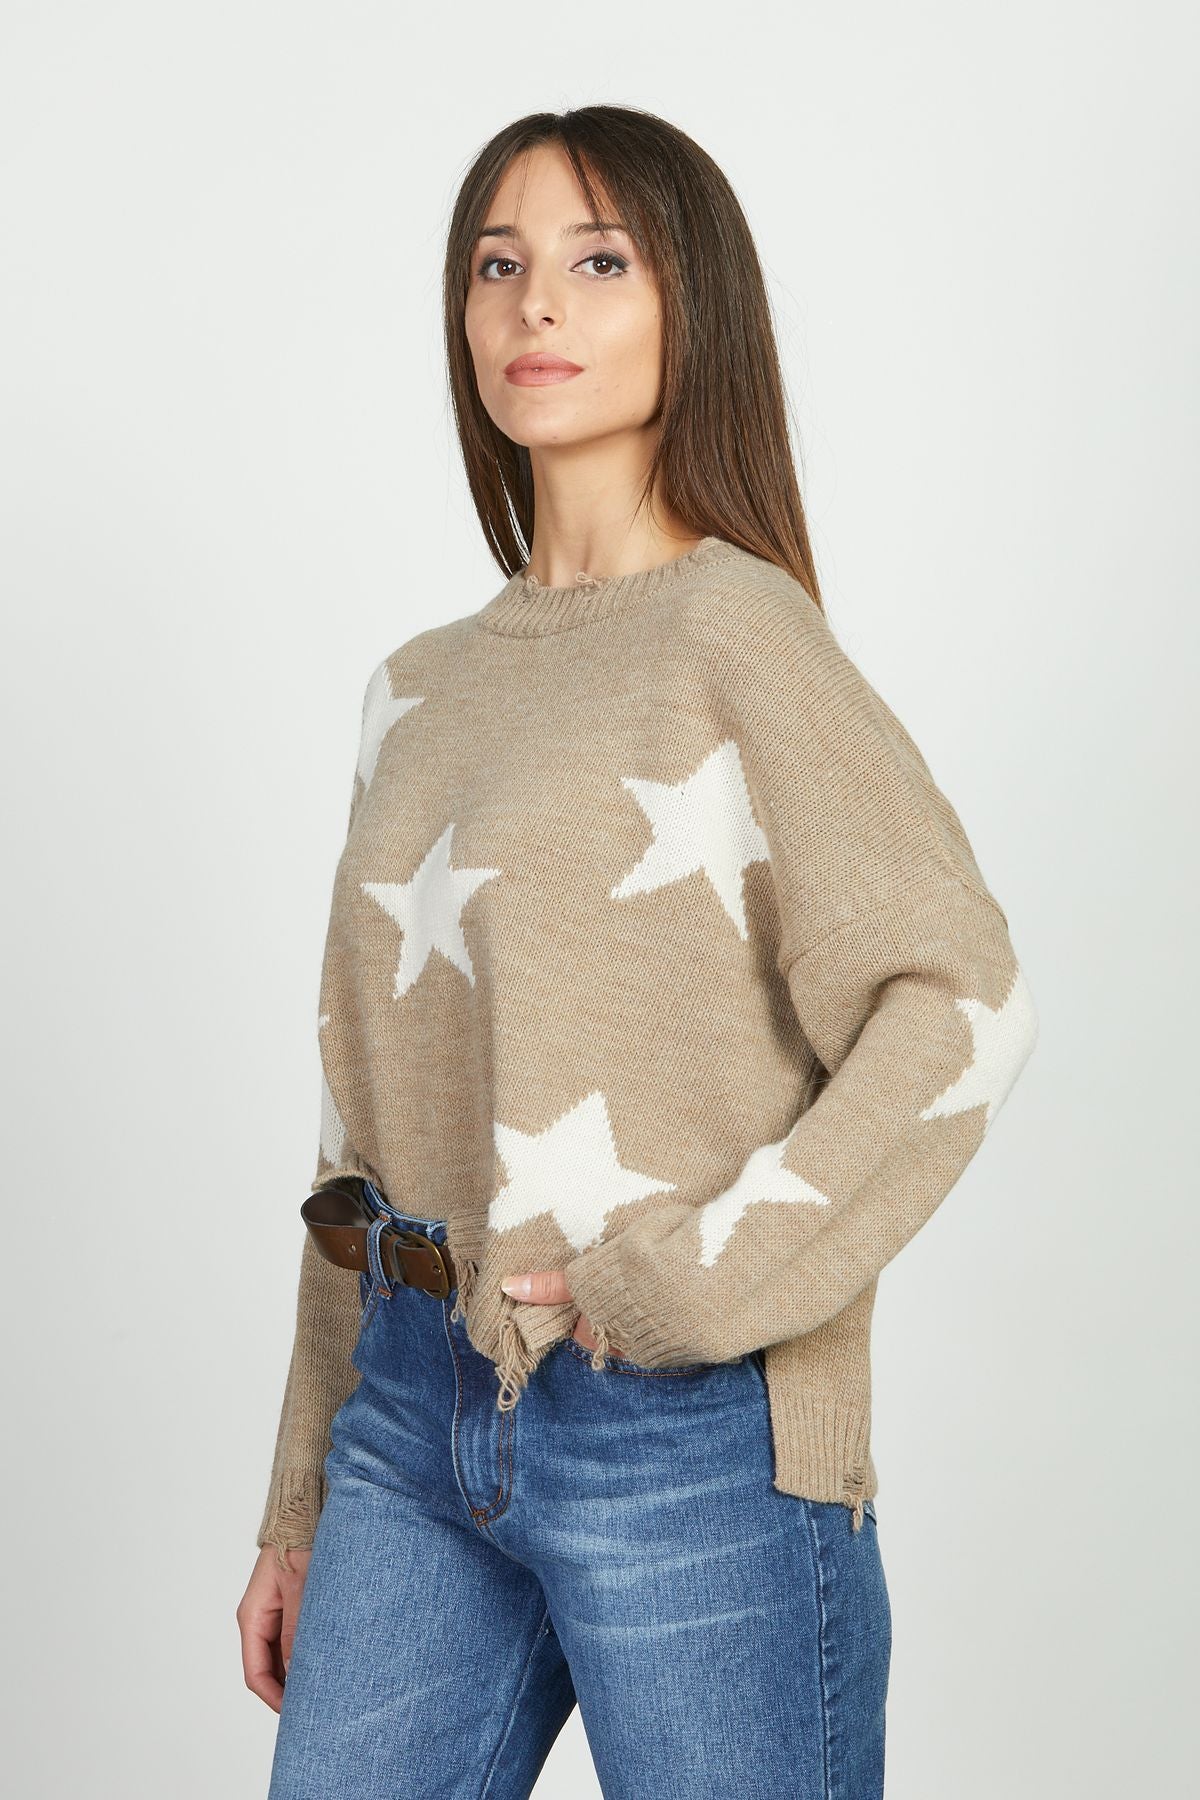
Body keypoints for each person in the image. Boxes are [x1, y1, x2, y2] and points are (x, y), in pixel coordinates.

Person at [237, 104, 1038, 1799]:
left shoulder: (742, 636)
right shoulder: (413, 691)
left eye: (598, 262)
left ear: (694, 308)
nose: (536, 304)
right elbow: (355, 1133)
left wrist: (700, 1282)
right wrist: (298, 1497)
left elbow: (964, 1002)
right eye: (498, 265)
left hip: (688, 1436)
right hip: (410, 1420)